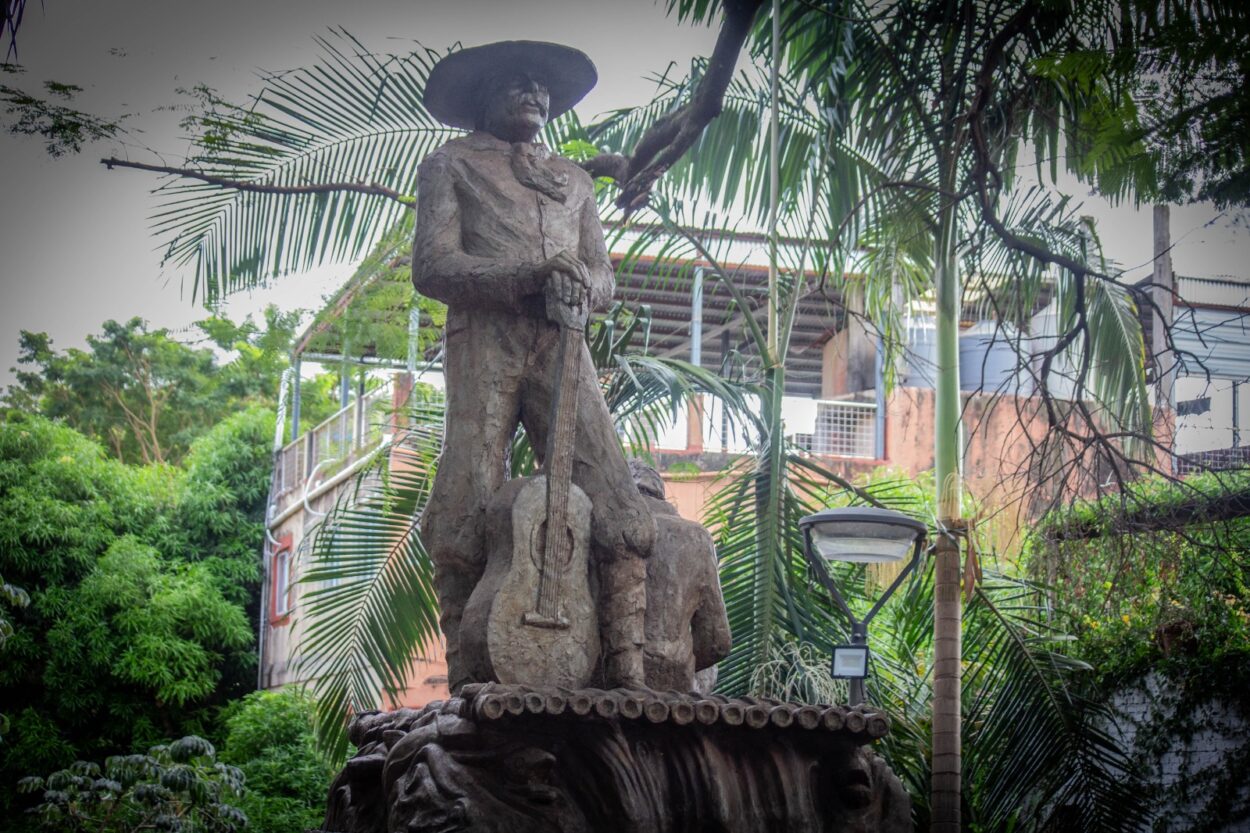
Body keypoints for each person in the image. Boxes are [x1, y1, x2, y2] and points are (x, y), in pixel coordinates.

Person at [412, 41, 656, 691]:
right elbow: (431, 267)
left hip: (564, 341)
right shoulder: (451, 165)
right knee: (464, 493)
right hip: (484, 340)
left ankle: (626, 665)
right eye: (517, 82)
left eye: (542, 85)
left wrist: (585, 287)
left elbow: (603, 273)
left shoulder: (574, 180)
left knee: (615, 496)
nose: (534, 92)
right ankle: (465, 666)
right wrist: (525, 276)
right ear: (484, 94)